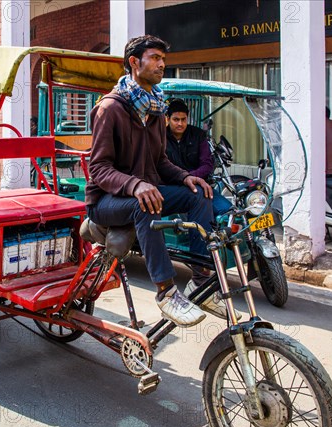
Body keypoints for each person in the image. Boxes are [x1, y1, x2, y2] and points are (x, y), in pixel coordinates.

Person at [85, 35, 214, 327]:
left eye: (163, 60)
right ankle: (166, 292)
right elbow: (99, 169)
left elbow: (160, 162)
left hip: (146, 193)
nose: (161, 65)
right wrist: (135, 185)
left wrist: (186, 177)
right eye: (155, 58)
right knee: (146, 203)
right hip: (106, 200)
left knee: (199, 194)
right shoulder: (110, 109)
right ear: (134, 62)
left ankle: (200, 277)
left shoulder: (156, 110)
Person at [164, 99, 240, 319]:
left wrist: (193, 178)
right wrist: (184, 179)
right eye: (176, 119)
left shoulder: (198, 136)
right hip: (175, 188)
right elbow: (162, 165)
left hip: (201, 186)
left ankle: (216, 257)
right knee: (197, 218)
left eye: (183, 119)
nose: (180, 123)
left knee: (227, 210)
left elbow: (207, 163)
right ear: (167, 120)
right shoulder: (159, 137)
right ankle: (200, 273)